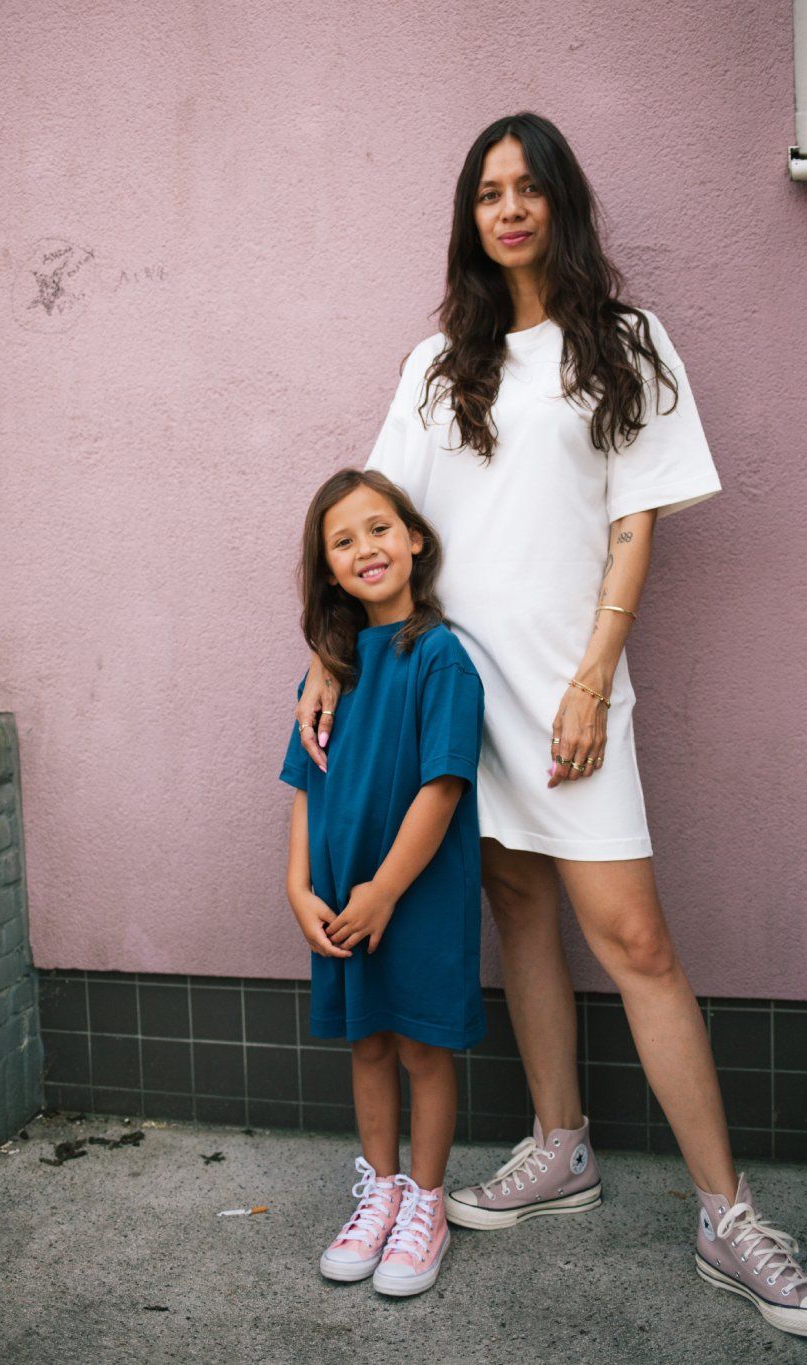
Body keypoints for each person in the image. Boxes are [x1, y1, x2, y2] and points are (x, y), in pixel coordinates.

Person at [291, 113, 807, 1337]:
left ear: (560, 204)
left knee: (633, 938)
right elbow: (372, 519)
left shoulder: (624, 344)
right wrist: (327, 659)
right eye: (488, 191)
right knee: (518, 906)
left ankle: (729, 1215)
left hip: (564, 694)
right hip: (448, 698)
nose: (509, 208)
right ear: (469, 217)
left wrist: (594, 677)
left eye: (528, 187)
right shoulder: (436, 364)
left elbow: (635, 523)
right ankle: (560, 1145)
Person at [279, 467, 485, 1297]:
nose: (365, 547)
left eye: (378, 528)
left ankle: (426, 1203)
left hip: (415, 891)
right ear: (329, 570)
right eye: (342, 540)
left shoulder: (440, 657)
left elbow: (443, 788)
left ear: (414, 539)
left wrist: (387, 890)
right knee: (367, 1041)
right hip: (341, 893)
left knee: (421, 1046)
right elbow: (307, 782)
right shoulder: (327, 672)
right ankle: (382, 1192)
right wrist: (298, 885)